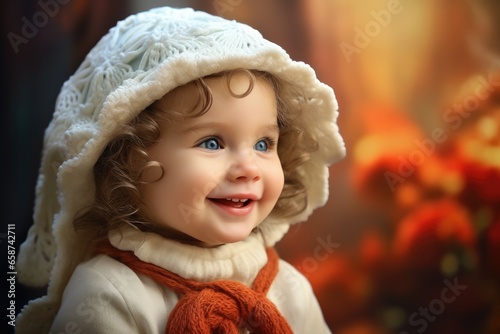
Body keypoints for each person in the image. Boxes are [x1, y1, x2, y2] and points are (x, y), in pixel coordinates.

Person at [15, 6, 345, 333]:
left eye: (263, 144)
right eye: (212, 143)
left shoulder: (289, 288)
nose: (249, 168)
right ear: (127, 160)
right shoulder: (107, 293)